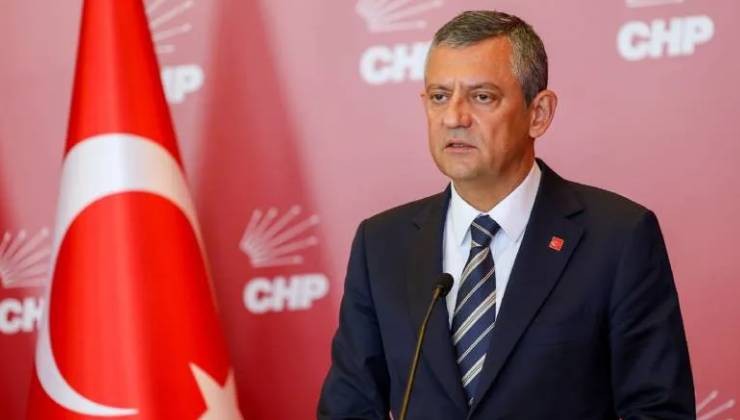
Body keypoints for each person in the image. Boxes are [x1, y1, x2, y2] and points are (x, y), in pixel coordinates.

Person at [318, 10, 694, 420]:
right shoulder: (382, 244)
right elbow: (349, 408)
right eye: (440, 96)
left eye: (482, 97)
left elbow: (658, 411)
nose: (454, 117)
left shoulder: (618, 237)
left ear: (539, 113)